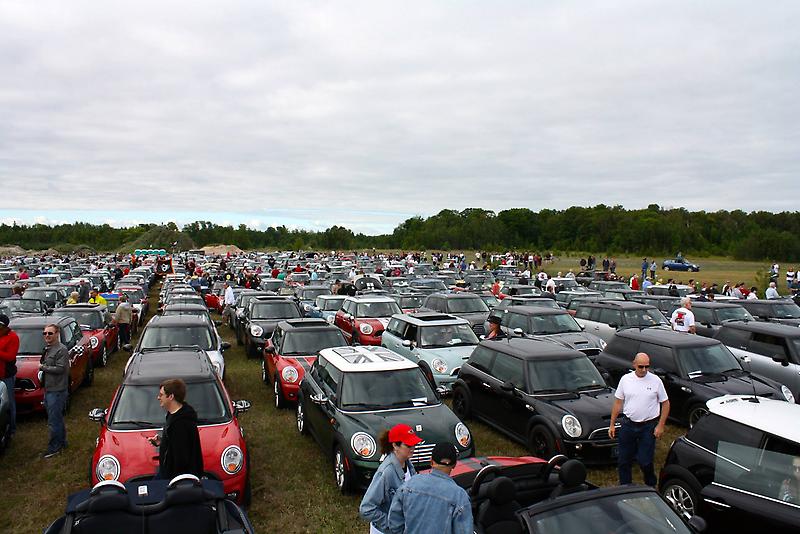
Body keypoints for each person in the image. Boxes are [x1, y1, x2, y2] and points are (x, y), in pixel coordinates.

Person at [609, 352, 670, 486]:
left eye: (647, 367)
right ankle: (625, 488)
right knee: (624, 460)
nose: (644, 370)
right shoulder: (625, 380)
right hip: (628, 425)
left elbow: (665, 403)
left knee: (645, 461)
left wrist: (660, 425)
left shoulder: (656, 381)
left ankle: (650, 485)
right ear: (634, 364)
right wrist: (612, 424)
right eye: (641, 366)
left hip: (648, 427)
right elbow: (618, 403)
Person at [387, 442, 473, 534]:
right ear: (454, 464)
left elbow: (394, 522)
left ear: (431, 461)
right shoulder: (460, 497)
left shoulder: (409, 485)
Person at [359, 424, 421, 534]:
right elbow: (366, 509)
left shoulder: (408, 464)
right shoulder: (386, 473)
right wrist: (393, 526)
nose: (413, 448)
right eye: (408, 445)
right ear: (395, 446)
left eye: (414, 444)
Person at [148, 378, 204, 480]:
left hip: (176, 478)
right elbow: (175, 443)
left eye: (161, 395)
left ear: (171, 396)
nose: (158, 397)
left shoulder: (181, 423)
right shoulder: (172, 415)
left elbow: (182, 458)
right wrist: (163, 442)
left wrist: (175, 483)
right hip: (167, 472)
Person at [40, 324, 69, 458]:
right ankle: (62, 442)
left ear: (57, 334)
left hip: (57, 390)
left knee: (54, 420)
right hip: (49, 388)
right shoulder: (48, 349)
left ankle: (54, 448)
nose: (47, 335)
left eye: (50, 333)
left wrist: (43, 367)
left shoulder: (61, 350)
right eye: (45, 333)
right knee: (57, 418)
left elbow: (61, 368)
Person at [0, 314, 19, 438]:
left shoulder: (13, 337)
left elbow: (10, 356)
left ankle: (11, 428)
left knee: (9, 402)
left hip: (6, 374)